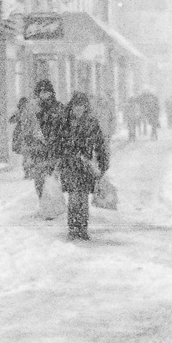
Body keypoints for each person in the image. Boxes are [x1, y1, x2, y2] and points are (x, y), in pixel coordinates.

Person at [56, 91, 109, 241]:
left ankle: (83, 228)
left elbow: (100, 145)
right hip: (69, 165)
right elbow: (58, 143)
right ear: (72, 106)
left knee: (83, 198)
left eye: (81, 106)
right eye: (76, 106)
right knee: (74, 197)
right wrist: (59, 160)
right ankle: (73, 228)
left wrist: (102, 164)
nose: (78, 109)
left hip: (85, 167)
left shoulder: (92, 123)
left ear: (86, 107)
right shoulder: (65, 122)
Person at [9, 96, 48, 204]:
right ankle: (28, 171)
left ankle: (29, 171)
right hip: (25, 138)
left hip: (30, 139)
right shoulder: (22, 112)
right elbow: (11, 120)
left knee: (28, 156)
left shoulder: (34, 113)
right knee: (26, 155)